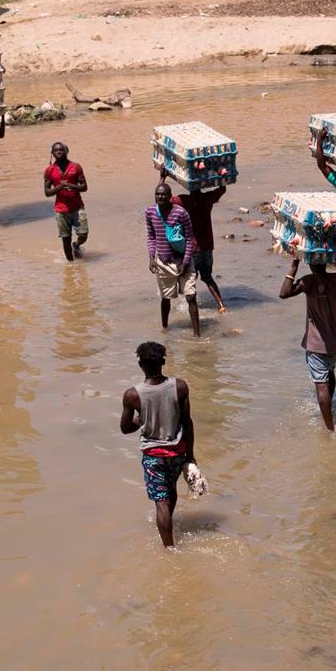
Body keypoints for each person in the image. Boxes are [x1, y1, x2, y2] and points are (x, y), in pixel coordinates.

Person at [279, 249, 336, 431]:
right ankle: (330, 408)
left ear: (310, 263)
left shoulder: (308, 282)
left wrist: (293, 268)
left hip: (316, 344)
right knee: (330, 370)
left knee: (321, 385)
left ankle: (330, 429)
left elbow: (284, 293)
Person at [120, 341, 196, 548]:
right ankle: (167, 527)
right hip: (177, 451)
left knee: (160, 502)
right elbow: (187, 423)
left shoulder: (132, 395)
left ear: (140, 365)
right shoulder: (179, 386)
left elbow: (125, 428)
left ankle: (169, 548)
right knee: (170, 491)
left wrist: (140, 419)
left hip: (153, 455)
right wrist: (190, 456)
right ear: (163, 361)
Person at [146, 180, 201, 333]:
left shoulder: (181, 213)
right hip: (163, 262)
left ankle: (197, 334)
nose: (160, 197)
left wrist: (185, 262)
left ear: (170, 196)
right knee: (165, 297)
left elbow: (190, 238)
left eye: (163, 194)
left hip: (184, 260)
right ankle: (165, 328)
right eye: (157, 194)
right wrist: (151, 258)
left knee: (191, 296)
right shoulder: (150, 212)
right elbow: (151, 237)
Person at [171, 174, 229, 315]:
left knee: (190, 279)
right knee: (208, 278)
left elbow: (165, 198)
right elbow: (222, 189)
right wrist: (221, 176)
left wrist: (164, 176)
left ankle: (190, 306)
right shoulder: (208, 198)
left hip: (192, 248)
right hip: (207, 246)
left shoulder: (183, 200)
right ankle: (221, 305)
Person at [44, 141, 89, 262]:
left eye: (61, 149)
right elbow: (47, 192)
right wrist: (59, 187)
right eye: (56, 150)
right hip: (61, 209)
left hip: (77, 207)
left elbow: (84, 187)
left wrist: (72, 186)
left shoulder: (76, 167)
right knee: (66, 238)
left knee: (84, 234)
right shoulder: (49, 170)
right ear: (52, 153)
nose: (59, 152)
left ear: (66, 151)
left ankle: (77, 245)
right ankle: (71, 265)